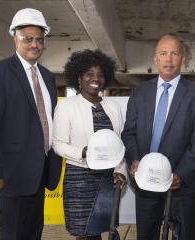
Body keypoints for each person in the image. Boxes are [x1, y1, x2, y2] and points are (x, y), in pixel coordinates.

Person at [0, 8, 62, 240]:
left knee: (33, 234)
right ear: (15, 37)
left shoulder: (47, 76)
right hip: (9, 180)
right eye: (28, 39)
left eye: (39, 40)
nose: (34, 44)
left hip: (40, 176)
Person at [122, 34, 195, 240]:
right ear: (155, 59)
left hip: (181, 184)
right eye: (163, 53)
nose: (168, 59)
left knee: (184, 236)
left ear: (182, 59)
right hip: (146, 181)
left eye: (174, 53)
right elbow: (129, 133)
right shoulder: (139, 93)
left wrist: (180, 173)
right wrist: (134, 160)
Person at [52, 49, 127, 240]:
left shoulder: (114, 107)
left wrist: (120, 171)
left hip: (108, 177)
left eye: (101, 75)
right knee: (84, 233)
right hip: (80, 178)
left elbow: (119, 144)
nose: (96, 78)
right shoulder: (66, 106)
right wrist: (84, 152)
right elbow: (58, 144)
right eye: (90, 74)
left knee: (104, 229)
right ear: (79, 77)